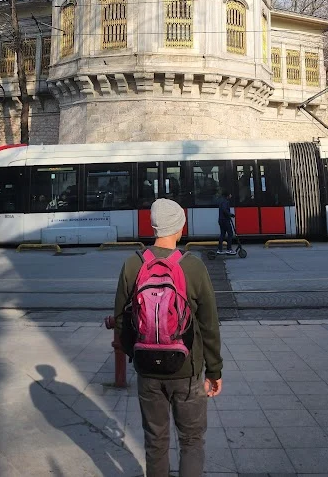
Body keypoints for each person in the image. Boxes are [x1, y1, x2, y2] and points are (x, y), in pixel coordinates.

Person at [114, 198, 223, 477]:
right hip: (187, 371)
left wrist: (136, 355)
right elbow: (209, 324)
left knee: (155, 441)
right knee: (191, 441)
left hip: (147, 370)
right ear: (179, 228)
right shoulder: (193, 267)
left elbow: (121, 322)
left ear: (153, 226)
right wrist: (214, 370)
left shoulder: (132, 265)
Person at [215, 190, 236, 255]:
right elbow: (224, 210)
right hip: (225, 220)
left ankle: (220, 249)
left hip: (221, 220)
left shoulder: (221, 200)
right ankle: (229, 249)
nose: (231, 196)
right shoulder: (225, 202)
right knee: (230, 234)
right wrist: (230, 214)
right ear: (228, 195)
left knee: (222, 234)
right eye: (230, 194)